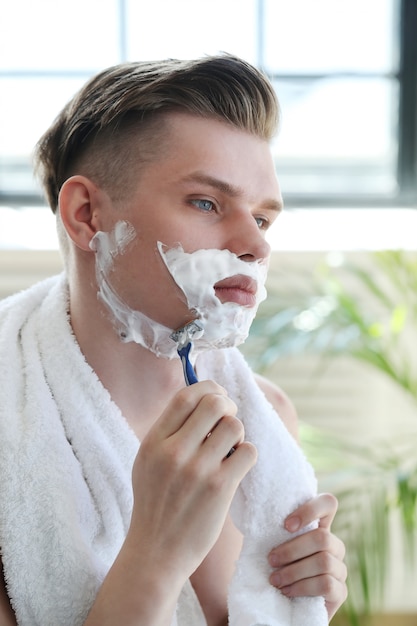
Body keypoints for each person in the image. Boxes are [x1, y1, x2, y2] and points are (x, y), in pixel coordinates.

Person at [0, 55, 347, 626]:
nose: (254, 246)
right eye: (207, 203)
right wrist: (154, 561)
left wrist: (308, 602)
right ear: (87, 215)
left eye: (262, 220)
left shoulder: (269, 419)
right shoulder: (11, 450)